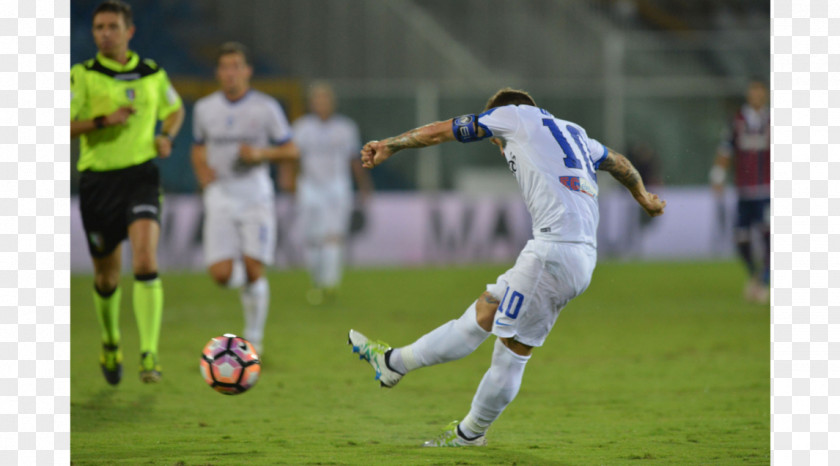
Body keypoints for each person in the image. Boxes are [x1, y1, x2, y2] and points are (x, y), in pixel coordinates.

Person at [347, 88, 665, 446]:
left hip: (553, 254)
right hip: (570, 252)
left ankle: (469, 436)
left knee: (511, 351)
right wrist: (643, 196)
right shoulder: (573, 132)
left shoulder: (513, 117)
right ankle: (394, 363)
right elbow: (618, 162)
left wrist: (392, 144)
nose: (498, 147)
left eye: (495, 140)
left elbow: (440, 130)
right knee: (485, 310)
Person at [70, 0, 185, 385]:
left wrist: (165, 136)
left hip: (141, 177)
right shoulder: (83, 75)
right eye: (99, 27)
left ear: (128, 31)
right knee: (106, 278)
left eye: (112, 26)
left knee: (146, 261)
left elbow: (175, 109)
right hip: (98, 182)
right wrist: (104, 120)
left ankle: (149, 354)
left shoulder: (151, 73)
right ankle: (110, 340)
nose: (104, 33)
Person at [191, 42, 298, 355]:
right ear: (218, 72)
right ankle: (248, 290)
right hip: (220, 195)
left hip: (255, 195)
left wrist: (261, 154)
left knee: (254, 269)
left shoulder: (266, 108)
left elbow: (291, 149)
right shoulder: (204, 109)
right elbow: (198, 146)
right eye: (225, 67)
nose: (230, 73)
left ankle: (255, 340)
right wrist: (201, 170)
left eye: (236, 66)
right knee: (222, 276)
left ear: (247, 71)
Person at [292, 82, 373, 305]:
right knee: (312, 238)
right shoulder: (301, 127)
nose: (321, 104)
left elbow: (354, 160)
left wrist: (363, 185)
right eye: (317, 100)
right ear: (311, 104)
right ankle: (317, 280)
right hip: (309, 187)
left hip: (337, 187)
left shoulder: (346, 128)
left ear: (332, 102)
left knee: (334, 235)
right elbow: (293, 159)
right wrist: (289, 182)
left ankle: (330, 284)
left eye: (325, 99)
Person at [710, 79, 770, 303]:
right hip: (744, 191)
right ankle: (755, 275)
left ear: (764, 94)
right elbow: (725, 149)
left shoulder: (772, 120)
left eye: (759, 91)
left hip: (767, 190)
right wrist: (718, 175)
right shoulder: (737, 121)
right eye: (752, 90)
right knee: (740, 238)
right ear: (748, 94)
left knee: (769, 238)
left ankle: (763, 282)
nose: (756, 95)